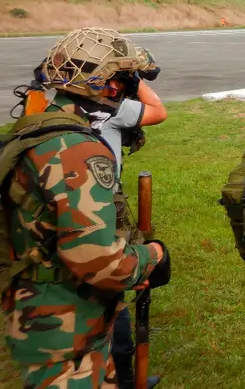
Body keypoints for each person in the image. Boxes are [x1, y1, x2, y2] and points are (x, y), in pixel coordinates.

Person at [1, 27, 171, 388]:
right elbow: (97, 260)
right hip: (63, 322)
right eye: (124, 81)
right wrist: (151, 258)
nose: (124, 90)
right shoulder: (77, 149)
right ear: (107, 86)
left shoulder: (34, 129)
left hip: (43, 309)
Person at [69, 43, 168, 389]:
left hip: (67, 205)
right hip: (102, 202)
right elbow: (158, 110)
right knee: (115, 285)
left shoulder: (60, 108)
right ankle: (122, 373)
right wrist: (134, 78)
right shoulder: (113, 108)